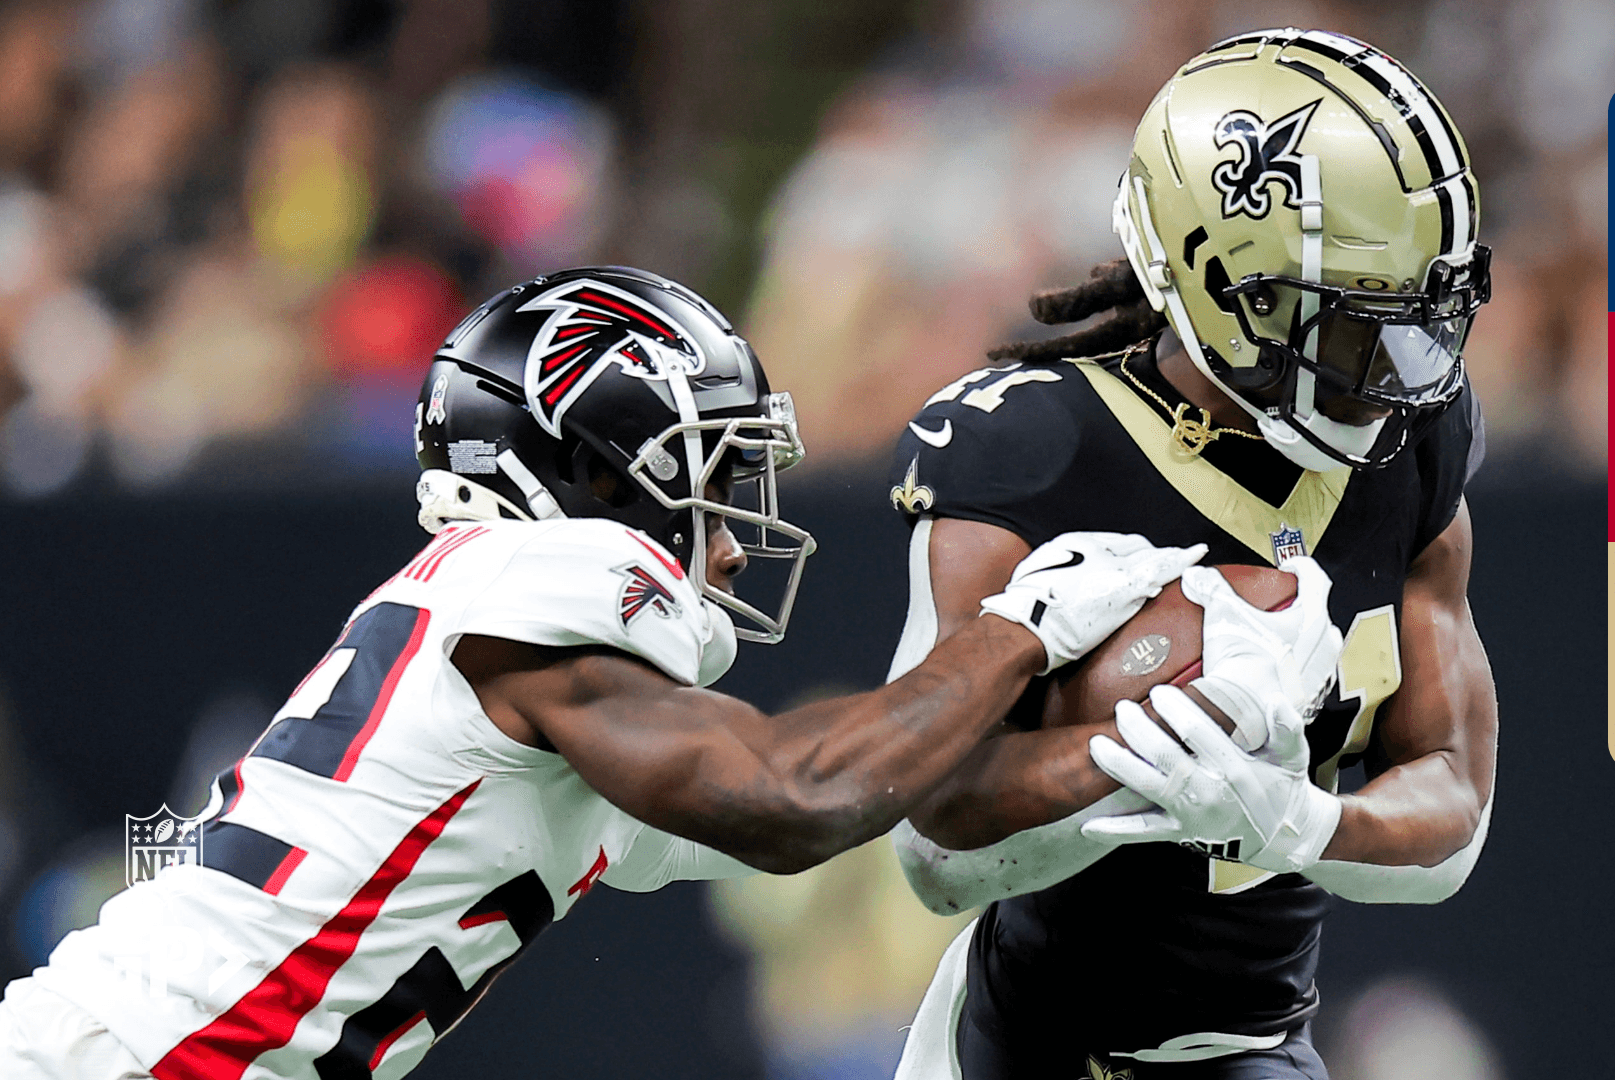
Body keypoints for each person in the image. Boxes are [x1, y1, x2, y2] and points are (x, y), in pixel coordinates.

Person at [0, 266, 1247, 1080]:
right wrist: (1020, 629)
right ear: (598, 470)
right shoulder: (550, 575)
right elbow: (796, 797)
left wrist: (1141, 751)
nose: (733, 536)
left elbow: (879, 806)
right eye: (713, 473)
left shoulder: (507, 628)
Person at [885, 29, 1500, 1080]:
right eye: (1354, 322)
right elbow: (932, 846)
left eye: (1415, 318)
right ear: (1229, 288)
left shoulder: (1414, 445)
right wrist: (1140, 766)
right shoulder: (1035, 450)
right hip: (1013, 1045)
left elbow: (1453, 807)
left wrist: (1296, 822)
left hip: (1250, 1046)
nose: (1399, 368)